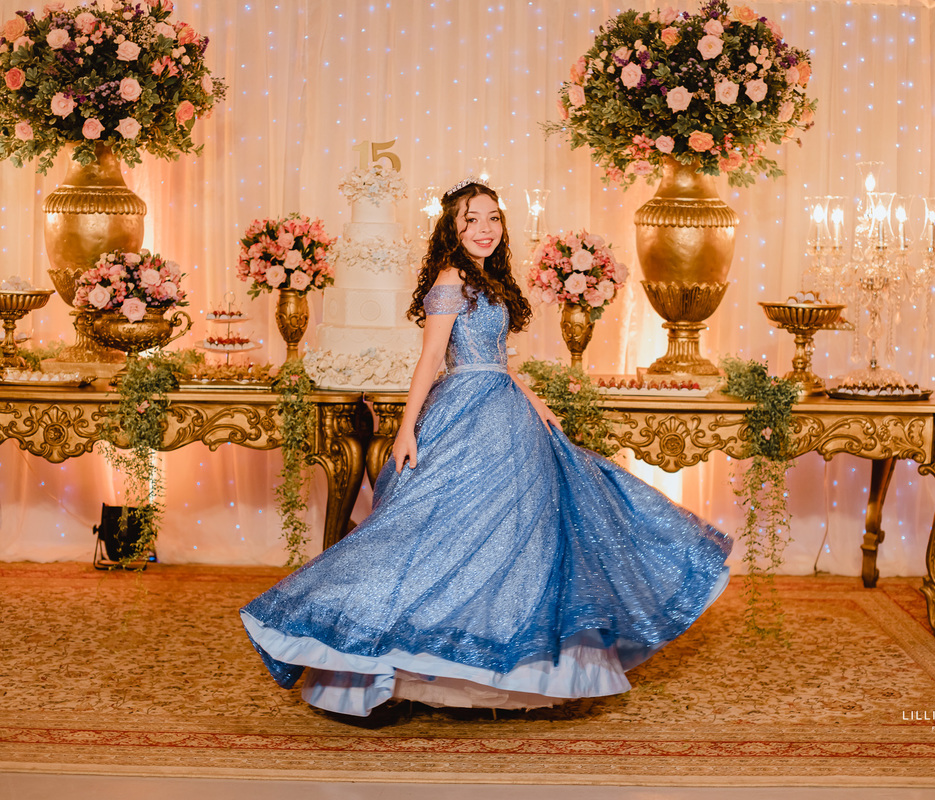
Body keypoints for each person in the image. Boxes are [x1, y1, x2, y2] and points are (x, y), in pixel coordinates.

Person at [240, 180, 731, 717]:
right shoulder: (451, 279)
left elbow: (498, 358)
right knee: (436, 535)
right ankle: (359, 645)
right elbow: (432, 359)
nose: (484, 230)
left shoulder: (490, 281)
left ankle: (510, 674)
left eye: (493, 218)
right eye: (471, 220)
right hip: (467, 410)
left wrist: (536, 402)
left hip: (506, 409)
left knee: (519, 538)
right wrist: (406, 430)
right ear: (453, 228)